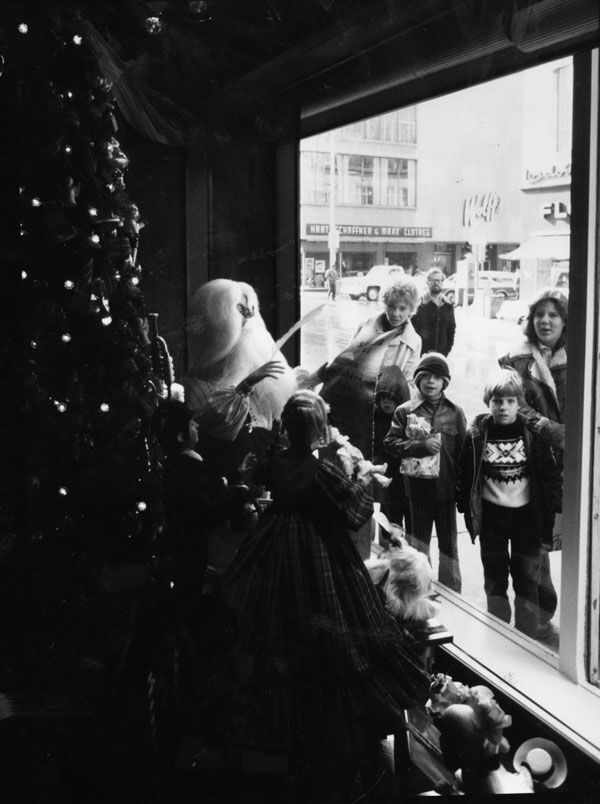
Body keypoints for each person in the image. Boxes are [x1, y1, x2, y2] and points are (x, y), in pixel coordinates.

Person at [214, 391, 429, 796]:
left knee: (270, 626)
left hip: (273, 544)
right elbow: (353, 514)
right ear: (316, 429)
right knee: (331, 632)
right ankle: (326, 747)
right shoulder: (323, 471)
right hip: (319, 550)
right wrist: (363, 480)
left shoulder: (276, 461)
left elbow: (257, 477)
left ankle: (272, 742)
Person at [319, 277, 421, 557]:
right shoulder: (367, 326)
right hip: (355, 408)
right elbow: (349, 358)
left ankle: (377, 548)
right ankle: (354, 542)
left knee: (380, 480)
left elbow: (409, 382)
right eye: (392, 306)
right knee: (354, 472)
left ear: (411, 309)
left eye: (403, 308)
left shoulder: (413, 341)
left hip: (383, 415)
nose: (396, 313)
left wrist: (392, 394)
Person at [456, 369, 562, 638]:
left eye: (510, 401)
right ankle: (498, 632)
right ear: (488, 403)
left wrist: (549, 516)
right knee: (495, 579)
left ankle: (524, 637)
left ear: (518, 402)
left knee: (527, 582)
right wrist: (466, 508)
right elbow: (465, 474)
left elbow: (549, 477)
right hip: (492, 518)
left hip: (527, 519)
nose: (503, 407)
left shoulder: (533, 435)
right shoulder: (478, 434)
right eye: (497, 401)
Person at [498, 287, 567, 642]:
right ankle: (536, 614)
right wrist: (547, 427)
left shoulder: (581, 356)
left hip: (573, 464)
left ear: (565, 320)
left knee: (569, 540)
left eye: (553, 315)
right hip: (533, 461)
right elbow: (512, 404)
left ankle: (553, 610)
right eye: (539, 314)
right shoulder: (519, 360)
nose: (545, 321)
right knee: (534, 542)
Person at [384, 352, 466, 592]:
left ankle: (453, 595)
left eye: (437, 378)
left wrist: (461, 489)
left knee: (449, 547)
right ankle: (420, 592)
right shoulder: (404, 411)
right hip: (417, 492)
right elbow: (389, 443)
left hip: (446, 492)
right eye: (426, 376)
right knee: (418, 547)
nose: (431, 382)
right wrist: (420, 446)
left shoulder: (455, 412)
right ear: (418, 379)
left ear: (445, 382)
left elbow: (463, 453)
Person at [411, 266, 456, 356]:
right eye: (433, 280)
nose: (436, 283)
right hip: (421, 355)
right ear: (428, 282)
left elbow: (451, 330)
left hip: (441, 355)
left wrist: (447, 349)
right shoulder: (419, 305)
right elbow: (411, 331)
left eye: (439, 280)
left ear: (442, 282)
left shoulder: (448, 306)